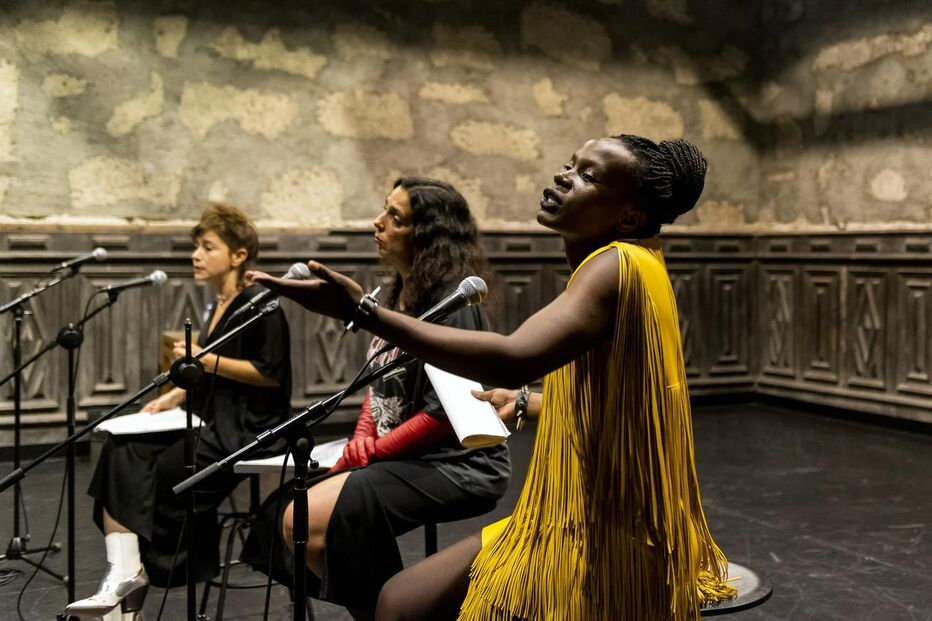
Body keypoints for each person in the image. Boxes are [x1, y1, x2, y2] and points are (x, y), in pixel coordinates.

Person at [251, 135, 738, 620]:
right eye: (570, 164)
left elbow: (512, 358)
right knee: (399, 601)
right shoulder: (636, 261)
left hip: (603, 526)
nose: (563, 176)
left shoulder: (615, 266)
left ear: (628, 217)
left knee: (399, 605)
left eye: (587, 176)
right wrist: (527, 402)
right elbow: (627, 392)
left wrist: (362, 312)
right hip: (585, 512)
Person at [242, 177, 511, 619]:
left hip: (459, 462)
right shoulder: (395, 293)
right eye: (384, 210)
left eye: (395, 217)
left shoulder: (455, 304)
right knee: (282, 509)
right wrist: (363, 437)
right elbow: (378, 381)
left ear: (427, 235)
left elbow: (444, 414)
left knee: (312, 517)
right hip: (404, 455)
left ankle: (397, 610)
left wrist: (374, 451)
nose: (378, 222)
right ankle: (395, 609)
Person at [66, 203, 292, 619]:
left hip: (248, 427)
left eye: (208, 247)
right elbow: (215, 375)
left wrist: (203, 359)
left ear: (239, 255)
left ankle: (128, 596)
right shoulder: (217, 303)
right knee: (120, 451)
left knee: (161, 475)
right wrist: (175, 397)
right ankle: (123, 574)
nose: (196, 255)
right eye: (196, 247)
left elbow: (269, 374)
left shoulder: (261, 303)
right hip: (211, 416)